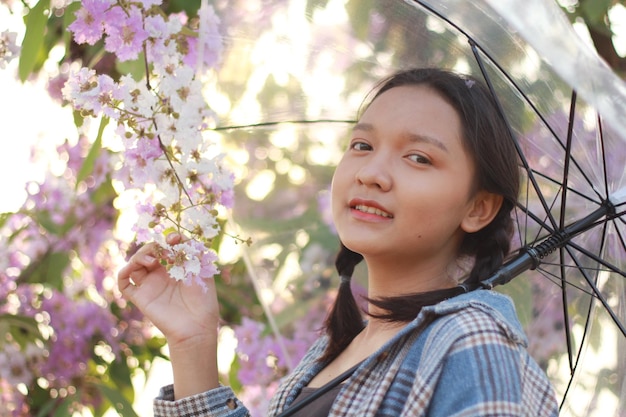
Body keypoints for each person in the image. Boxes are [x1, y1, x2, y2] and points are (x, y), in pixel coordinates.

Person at [118, 68, 559, 416]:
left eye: (418, 157)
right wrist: (193, 343)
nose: (369, 172)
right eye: (362, 145)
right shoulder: (340, 350)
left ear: (478, 208)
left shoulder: (469, 338)